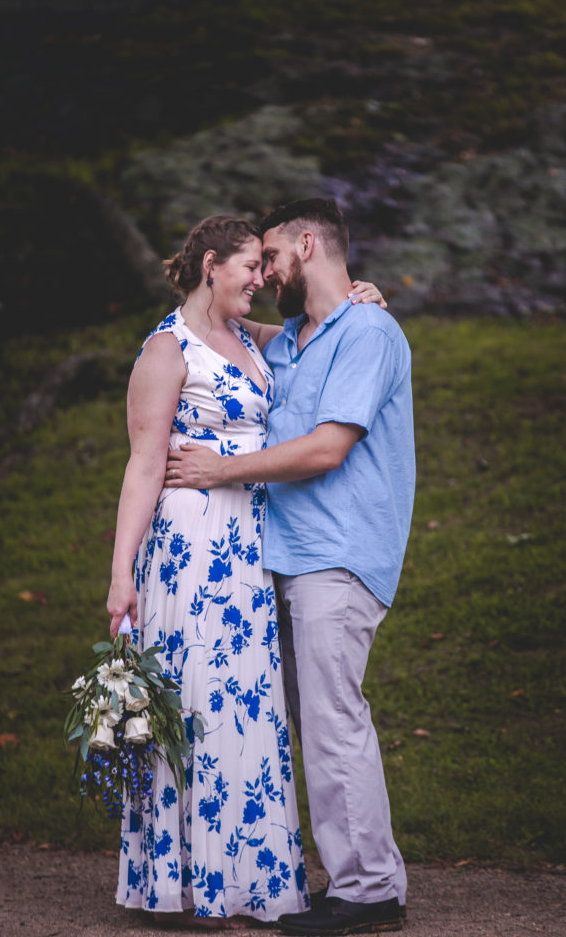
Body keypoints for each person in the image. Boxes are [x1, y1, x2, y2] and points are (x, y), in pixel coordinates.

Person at [106, 213, 385, 926]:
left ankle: (245, 879)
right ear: (209, 266)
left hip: (252, 553)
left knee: (246, 713)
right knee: (194, 707)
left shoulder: (256, 342)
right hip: (191, 549)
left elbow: (313, 341)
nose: (261, 279)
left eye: (267, 265)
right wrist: (120, 575)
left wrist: (360, 298)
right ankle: (182, 884)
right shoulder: (167, 353)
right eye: (249, 267)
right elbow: (143, 467)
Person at [167, 198, 415, 936]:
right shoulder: (296, 340)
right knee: (312, 722)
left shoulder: (366, 332)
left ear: (307, 245)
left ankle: (369, 890)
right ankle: (347, 876)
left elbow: (325, 448)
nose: (263, 270)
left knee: (334, 721)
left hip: (336, 557)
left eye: (270, 255)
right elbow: (214, 309)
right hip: (286, 557)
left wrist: (220, 469)